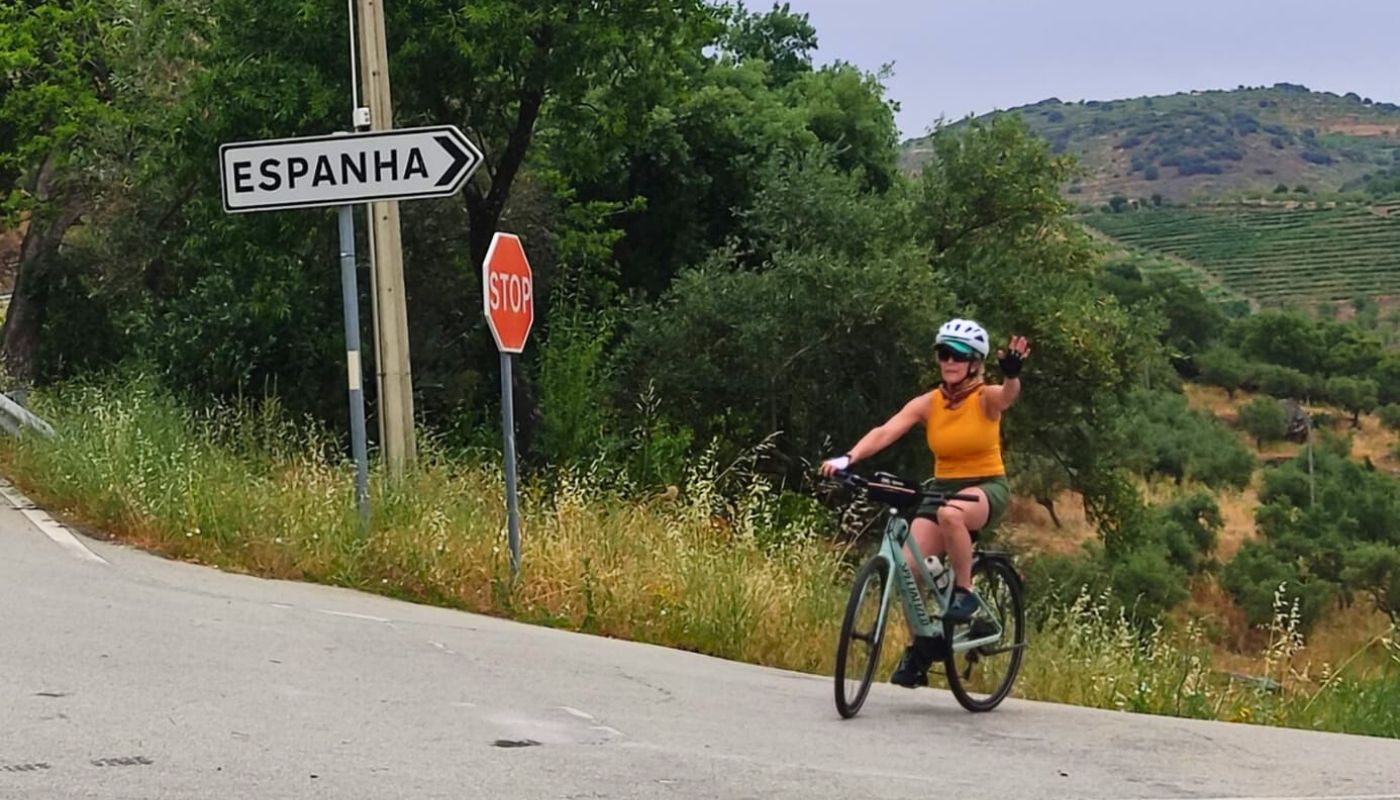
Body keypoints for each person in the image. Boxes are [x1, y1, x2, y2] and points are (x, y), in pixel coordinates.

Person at [820, 318, 1030, 688]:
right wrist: (848, 459)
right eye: (943, 353)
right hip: (943, 487)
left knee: (951, 516)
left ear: (975, 363)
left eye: (959, 355)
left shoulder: (985, 399)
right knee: (908, 568)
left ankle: (964, 593)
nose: (949, 361)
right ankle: (923, 646)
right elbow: (887, 430)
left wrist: (1011, 375)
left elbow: (1007, 396)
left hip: (984, 487)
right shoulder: (929, 403)